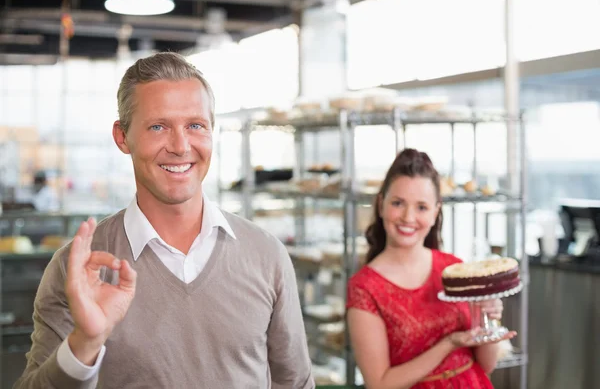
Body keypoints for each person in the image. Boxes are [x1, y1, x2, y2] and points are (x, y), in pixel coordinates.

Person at [15, 52, 314, 389]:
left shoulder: (266, 254)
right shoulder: (77, 269)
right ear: (122, 137)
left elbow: (295, 383)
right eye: (158, 126)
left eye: (195, 125)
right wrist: (85, 343)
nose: (180, 146)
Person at [346, 149, 516, 389]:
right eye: (398, 203)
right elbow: (379, 383)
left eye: (422, 207)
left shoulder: (454, 269)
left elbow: (485, 365)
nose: (408, 217)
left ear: (436, 212)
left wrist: (488, 318)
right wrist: (449, 344)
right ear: (381, 204)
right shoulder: (364, 287)